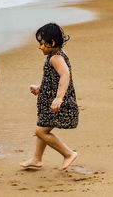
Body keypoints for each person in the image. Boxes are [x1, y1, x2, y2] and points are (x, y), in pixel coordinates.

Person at [20, 23, 79, 171]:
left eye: (41, 43)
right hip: (48, 100)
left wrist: (59, 98)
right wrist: (40, 88)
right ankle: (36, 159)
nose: (39, 47)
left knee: (40, 131)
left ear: (51, 42)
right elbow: (52, 78)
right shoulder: (56, 55)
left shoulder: (56, 58)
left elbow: (65, 75)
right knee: (42, 127)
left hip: (57, 102)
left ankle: (68, 153)